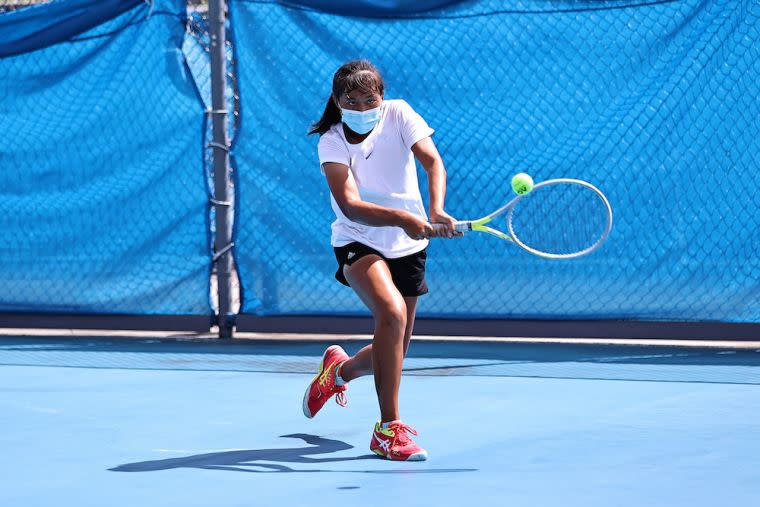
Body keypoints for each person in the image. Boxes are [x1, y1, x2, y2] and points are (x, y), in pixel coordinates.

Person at [303, 59, 459, 462]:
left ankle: (338, 372)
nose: (359, 108)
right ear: (337, 102)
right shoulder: (332, 141)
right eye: (349, 101)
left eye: (367, 100)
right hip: (358, 240)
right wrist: (406, 218)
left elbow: (431, 161)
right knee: (390, 314)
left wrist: (436, 210)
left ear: (382, 98)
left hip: (407, 248)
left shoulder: (400, 114)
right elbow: (351, 206)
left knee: (394, 348)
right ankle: (388, 430)